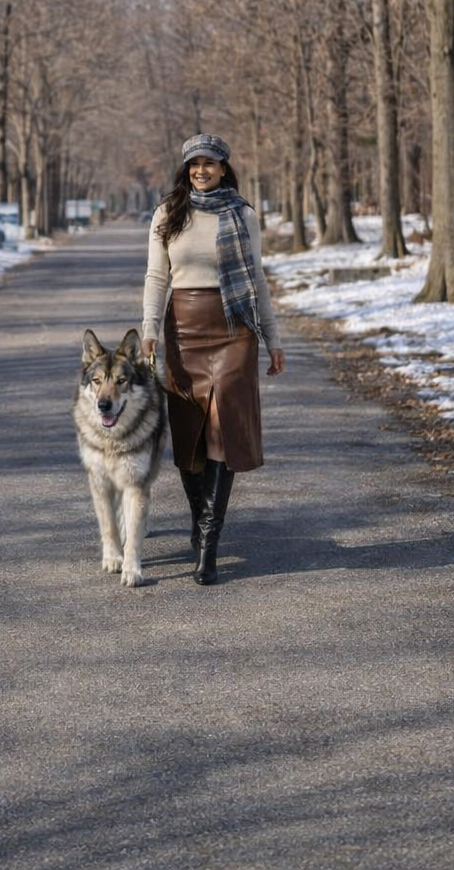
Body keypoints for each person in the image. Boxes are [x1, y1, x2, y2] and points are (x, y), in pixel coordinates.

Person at [141, 132, 285, 585]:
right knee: (190, 438)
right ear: (186, 169)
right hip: (183, 328)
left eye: (210, 163)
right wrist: (148, 329)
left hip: (234, 329)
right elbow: (156, 276)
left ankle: (209, 540)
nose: (201, 170)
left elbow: (257, 280)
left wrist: (273, 339)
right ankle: (197, 513)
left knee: (222, 432)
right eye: (194, 163)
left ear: (224, 167)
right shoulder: (168, 213)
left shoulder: (243, 214)